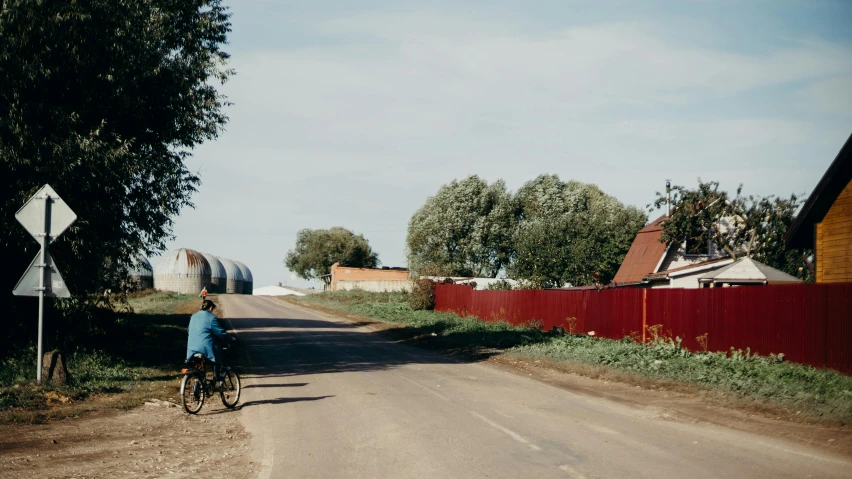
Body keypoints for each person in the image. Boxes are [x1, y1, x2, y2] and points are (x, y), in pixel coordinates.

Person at [185, 300, 235, 384]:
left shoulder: (193, 316)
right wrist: (230, 338)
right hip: (204, 348)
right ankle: (217, 376)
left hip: (192, 348)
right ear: (211, 308)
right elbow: (220, 333)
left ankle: (200, 382)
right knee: (217, 352)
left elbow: (189, 330)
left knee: (199, 366)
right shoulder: (211, 318)